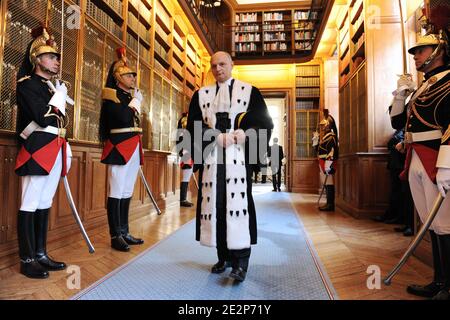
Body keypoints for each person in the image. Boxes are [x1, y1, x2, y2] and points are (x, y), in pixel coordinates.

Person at [186, 51, 273, 282]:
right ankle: (223, 256)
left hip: (239, 159)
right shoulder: (201, 95)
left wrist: (246, 134)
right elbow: (193, 128)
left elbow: (265, 123)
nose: (218, 69)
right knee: (217, 205)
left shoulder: (250, 92)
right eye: (214, 66)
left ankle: (241, 262)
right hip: (214, 161)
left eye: (222, 64)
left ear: (232, 65)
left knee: (238, 205)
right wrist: (215, 136)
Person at [389, 28, 450, 299]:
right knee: (431, 223)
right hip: (415, 157)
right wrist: (400, 96)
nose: (415, 56)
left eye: (421, 51)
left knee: (445, 223)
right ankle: (439, 281)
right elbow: (398, 123)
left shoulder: (449, 82)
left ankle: (448, 285)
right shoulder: (424, 86)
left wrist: (448, 163)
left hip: (437, 158)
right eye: (414, 52)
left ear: (438, 52)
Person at [14, 26, 71, 278]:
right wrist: (58, 97)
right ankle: (27, 259)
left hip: (55, 147)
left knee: (45, 202)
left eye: (57, 57)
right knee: (30, 203)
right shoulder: (27, 85)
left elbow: (62, 122)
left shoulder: (51, 88)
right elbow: (43, 116)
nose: (57, 61)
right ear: (36, 59)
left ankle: (40, 254)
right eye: (51, 56)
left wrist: (57, 94)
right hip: (37, 149)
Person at [99, 47, 144, 252]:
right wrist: (136, 102)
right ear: (118, 77)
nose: (133, 77)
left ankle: (124, 231)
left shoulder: (128, 97)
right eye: (128, 75)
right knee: (116, 190)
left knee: (127, 190)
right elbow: (124, 117)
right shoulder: (111, 94)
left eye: (133, 74)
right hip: (119, 146)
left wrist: (134, 100)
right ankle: (115, 235)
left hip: (134, 144)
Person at [316, 113, 339, 211]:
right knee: (326, 183)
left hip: (327, 163)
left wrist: (328, 165)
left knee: (329, 183)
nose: (322, 127)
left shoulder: (331, 137)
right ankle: (328, 203)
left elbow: (332, 152)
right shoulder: (325, 137)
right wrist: (315, 141)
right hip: (323, 162)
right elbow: (318, 150)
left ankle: (330, 204)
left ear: (328, 125)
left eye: (324, 125)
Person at [176, 112, 194, 207]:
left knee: (188, 174)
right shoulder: (185, 120)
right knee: (186, 175)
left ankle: (184, 199)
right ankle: (183, 199)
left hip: (189, 149)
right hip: (186, 149)